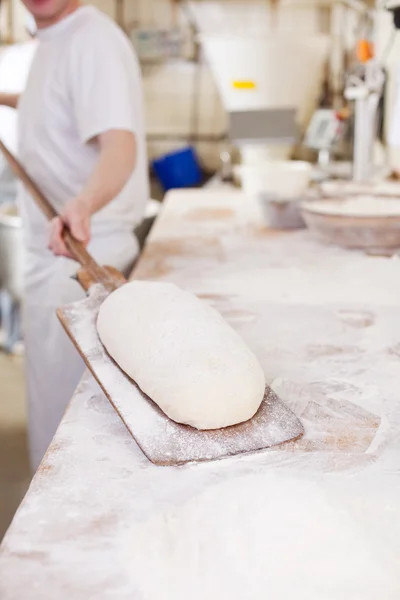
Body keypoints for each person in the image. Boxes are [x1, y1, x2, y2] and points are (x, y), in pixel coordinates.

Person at [0, 0, 149, 471]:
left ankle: (62, 540)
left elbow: (119, 146)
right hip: (59, 255)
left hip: (83, 257)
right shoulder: (57, 40)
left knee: (73, 431)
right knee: (56, 414)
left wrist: (82, 204)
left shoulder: (93, 40)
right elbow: (63, 108)